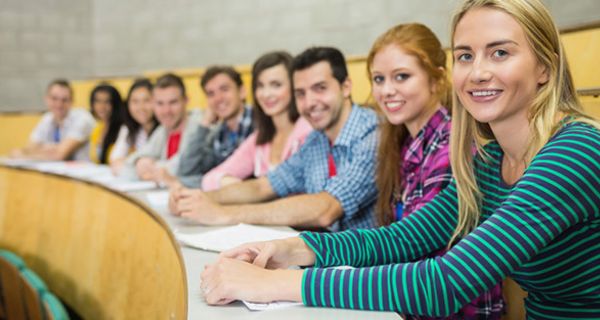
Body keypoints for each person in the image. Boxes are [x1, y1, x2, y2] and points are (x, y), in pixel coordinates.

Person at [199, 0, 600, 318]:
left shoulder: (575, 151)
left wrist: (269, 286)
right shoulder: (491, 159)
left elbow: (448, 283)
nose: (477, 72)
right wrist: (293, 248)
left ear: (545, 66)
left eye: (499, 53)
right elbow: (404, 237)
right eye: (465, 55)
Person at [370, 23, 503, 319]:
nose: (386, 90)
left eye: (401, 76)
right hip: (410, 303)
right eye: (378, 79)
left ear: (436, 79)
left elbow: (413, 246)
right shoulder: (404, 144)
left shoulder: (452, 144)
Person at [170, 47, 379, 231]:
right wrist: (199, 199)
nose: (309, 102)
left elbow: (326, 208)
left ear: (346, 87)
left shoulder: (372, 133)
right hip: (328, 256)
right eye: (301, 93)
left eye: (320, 88)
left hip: (370, 267)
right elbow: (263, 186)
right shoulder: (317, 139)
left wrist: (224, 214)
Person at [201, 51, 312, 191]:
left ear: (294, 87)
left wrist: (253, 192)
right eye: (260, 86)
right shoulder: (259, 139)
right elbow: (209, 179)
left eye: (276, 85)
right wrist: (237, 186)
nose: (266, 94)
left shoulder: (309, 132)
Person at [174, 65, 254, 187]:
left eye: (225, 89)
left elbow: (244, 180)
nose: (218, 98)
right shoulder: (217, 134)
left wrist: (181, 182)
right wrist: (204, 125)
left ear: (242, 91)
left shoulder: (261, 124)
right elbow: (186, 171)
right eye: (211, 94)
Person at [122, 73, 199, 185]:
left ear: (186, 101)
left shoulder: (198, 127)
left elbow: (181, 168)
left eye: (173, 102)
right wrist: (139, 161)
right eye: (160, 103)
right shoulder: (163, 130)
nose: (166, 111)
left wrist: (150, 167)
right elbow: (127, 166)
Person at [10, 79, 95, 161]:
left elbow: (59, 155)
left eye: (64, 100)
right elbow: (29, 147)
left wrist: (36, 150)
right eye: (54, 99)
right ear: (46, 99)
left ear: (72, 101)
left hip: (84, 173)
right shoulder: (47, 118)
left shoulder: (83, 118)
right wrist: (51, 149)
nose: (59, 104)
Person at [109, 78, 159, 174]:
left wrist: (128, 163)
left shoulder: (163, 130)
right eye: (135, 101)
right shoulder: (128, 129)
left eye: (146, 100)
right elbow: (114, 160)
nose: (141, 107)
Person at [88, 83, 124, 164]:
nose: (102, 106)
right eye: (98, 101)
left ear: (115, 104)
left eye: (107, 102)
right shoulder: (97, 128)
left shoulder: (123, 129)